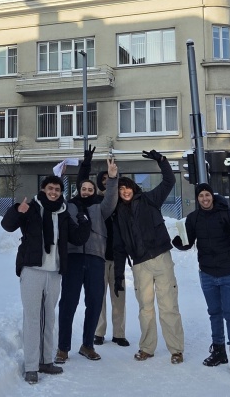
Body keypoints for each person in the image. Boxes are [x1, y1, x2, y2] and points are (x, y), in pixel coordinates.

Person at [1, 175, 91, 385]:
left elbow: (77, 238)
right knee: (33, 318)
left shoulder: (63, 213)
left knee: (49, 318)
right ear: (43, 189)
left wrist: (84, 221)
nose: (54, 192)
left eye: (57, 190)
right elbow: (7, 225)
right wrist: (17, 210)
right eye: (50, 188)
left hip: (54, 273)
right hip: (32, 269)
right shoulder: (32, 208)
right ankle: (31, 366)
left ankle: (45, 361)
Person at [113, 149, 185, 364]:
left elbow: (169, 181)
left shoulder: (149, 199)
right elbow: (119, 246)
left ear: (133, 188)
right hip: (140, 265)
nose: (125, 191)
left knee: (168, 306)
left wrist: (161, 161)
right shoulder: (118, 213)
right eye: (120, 189)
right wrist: (118, 274)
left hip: (161, 258)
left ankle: (176, 349)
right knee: (145, 309)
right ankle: (147, 348)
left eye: (127, 187)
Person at [172, 182, 230, 375]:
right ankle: (219, 351)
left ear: (212, 196)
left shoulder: (227, 213)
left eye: (207, 195)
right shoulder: (194, 218)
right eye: (201, 196)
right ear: (197, 198)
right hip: (207, 273)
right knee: (214, 313)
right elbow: (188, 242)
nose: (204, 199)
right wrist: (179, 243)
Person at [56, 155, 119, 363]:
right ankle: (63, 348)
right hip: (73, 257)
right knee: (68, 303)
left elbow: (112, 199)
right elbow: (55, 199)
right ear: (79, 190)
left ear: (94, 191)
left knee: (94, 302)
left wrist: (112, 178)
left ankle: (87, 345)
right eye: (83, 189)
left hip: (95, 258)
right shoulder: (69, 206)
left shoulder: (100, 207)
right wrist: (59, 177)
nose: (86, 191)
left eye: (90, 189)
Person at [76, 147, 130, 349]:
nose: (107, 181)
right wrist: (86, 163)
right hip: (99, 256)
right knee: (98, 296)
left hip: (118, 256)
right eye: (103, 179)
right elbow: (81, 184)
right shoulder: (96, 202)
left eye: (110, 178)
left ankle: (119, 333)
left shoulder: (122, 201)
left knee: (119, 296)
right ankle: (99, 332)